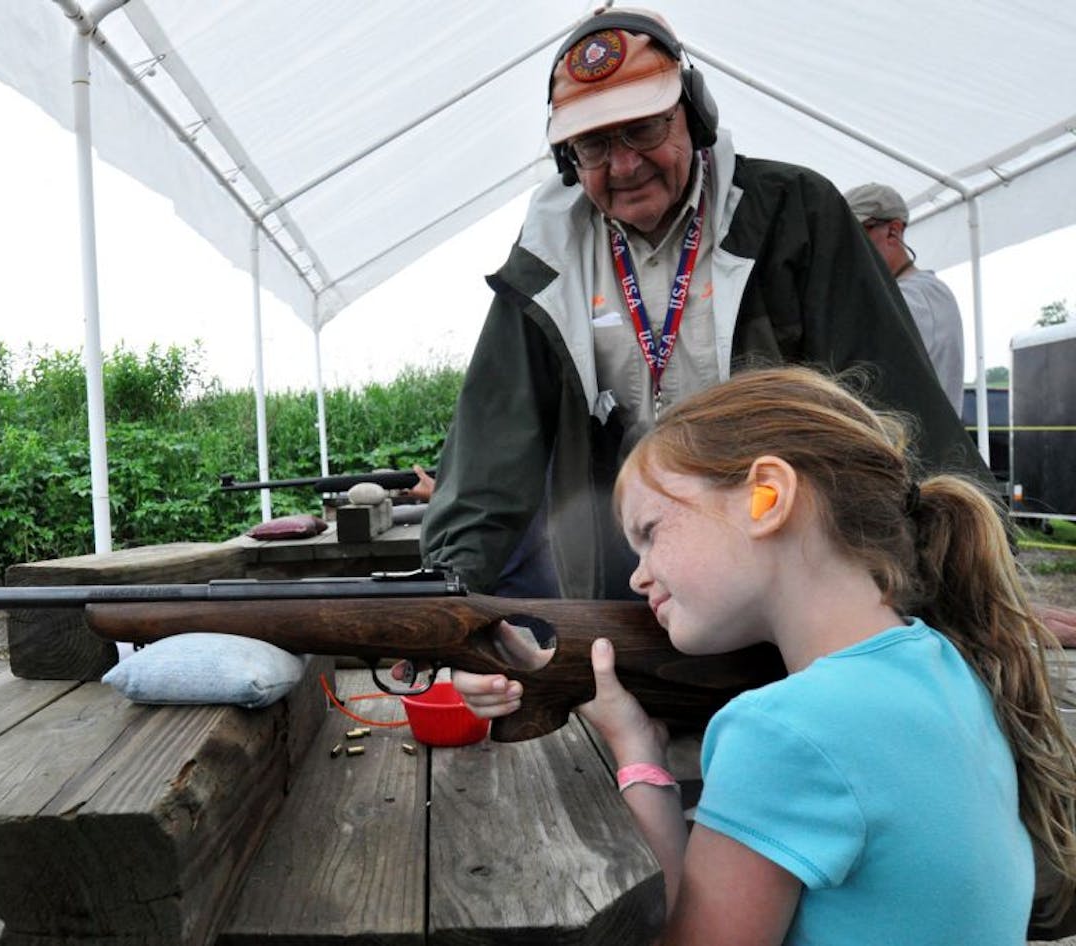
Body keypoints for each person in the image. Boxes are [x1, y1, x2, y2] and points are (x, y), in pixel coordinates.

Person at [459, 365, 1076, 944]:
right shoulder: (943, 659)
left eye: (650, 532)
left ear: (767, 497)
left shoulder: (785, 731)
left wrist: (636, 758)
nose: (636, 578)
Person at [420, 8, 984, 602]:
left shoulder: (797, 215)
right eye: (593, 145)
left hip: (787, 573)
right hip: (626, 581)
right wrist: (445, 594)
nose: (625, 164)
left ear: (694, 114)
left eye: (644, 129)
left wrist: (967, 583)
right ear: (568, 159)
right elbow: (490, 447)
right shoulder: (547, 259)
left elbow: (898, 409)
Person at [844, 181, 965, 413]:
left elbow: (864, 358)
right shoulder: (899, 293)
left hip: (919, 447)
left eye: (857, 234)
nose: (848, 248)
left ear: (893, 231)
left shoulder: (921, 294)